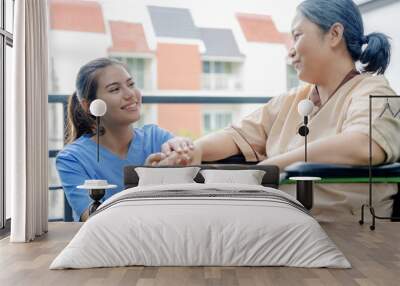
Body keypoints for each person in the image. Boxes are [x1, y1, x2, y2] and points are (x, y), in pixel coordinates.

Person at [191, 0, 400, 221]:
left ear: (335, 34)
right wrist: (193, 151)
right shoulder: (292, 100)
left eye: (298, 36)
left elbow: (365, 145)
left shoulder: (373, 90)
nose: (290, 52)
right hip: (280, 221)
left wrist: (272, 167)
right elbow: (236, 135)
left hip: (341, 234)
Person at [56, 58, 194, 221]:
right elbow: (94, 220)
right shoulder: (71, 159)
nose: (130, 94)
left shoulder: (156, 137)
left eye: (131, 84)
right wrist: (146, 181)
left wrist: (183, 146)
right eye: (115, 89)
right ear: (89, 106)